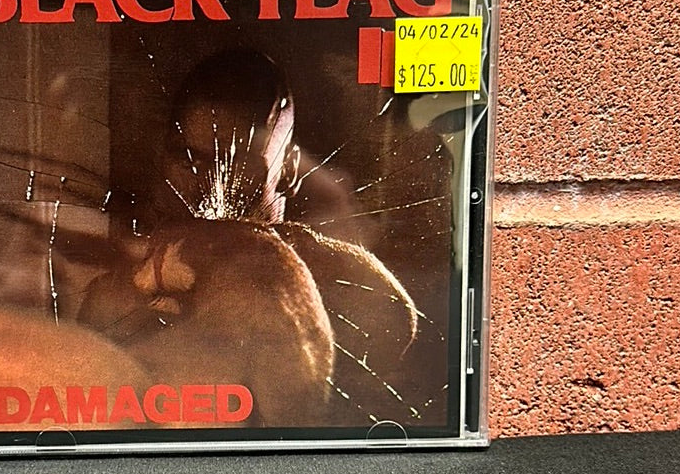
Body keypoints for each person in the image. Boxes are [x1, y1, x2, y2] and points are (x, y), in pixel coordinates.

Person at [79, 48, 423, 428]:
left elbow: (389, 328)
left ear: (288, 168)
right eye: (187, 158)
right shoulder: (117, 292)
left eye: (234, 161)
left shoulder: (347, 281)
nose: (207, 184)